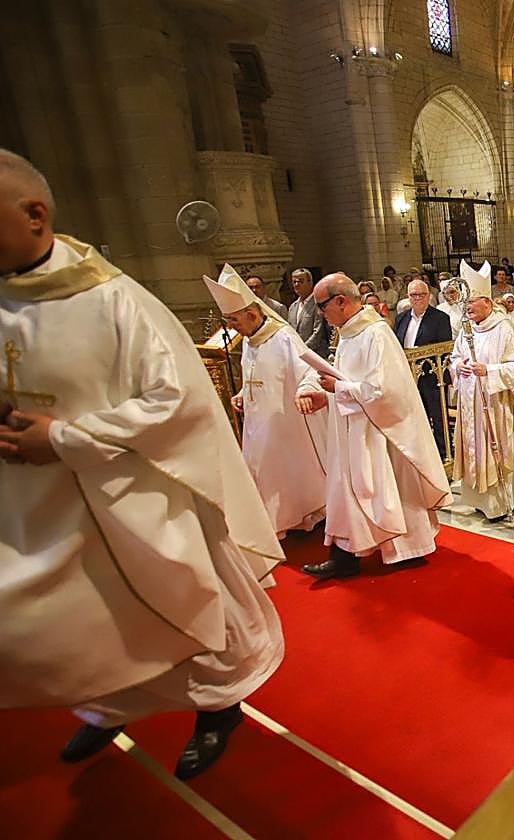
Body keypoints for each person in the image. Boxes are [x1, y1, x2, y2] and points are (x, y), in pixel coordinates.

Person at [0, 148, 283, 779]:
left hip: (134, 487)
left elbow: (175, 402)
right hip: (40, 502)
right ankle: (106, 706)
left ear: (35, 214)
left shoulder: (116, 302)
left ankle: (218, 708)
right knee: (82, 617)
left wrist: (69, 438)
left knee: (184, 602)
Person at [295, 273, 452, 579]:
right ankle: (346, 554)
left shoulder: (376, 334)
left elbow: (386, 392)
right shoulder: (349, 333)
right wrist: (326, 397)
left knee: (383, 487)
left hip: (379, 431)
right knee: (349, 487)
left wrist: (337, 390)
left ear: (340, 301)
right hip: (353, 425)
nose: (320, 314)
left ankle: (405, 548)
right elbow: (347, 379)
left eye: (322, 306)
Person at [203, 264, 328, 538]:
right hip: (258, 421)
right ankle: (275, 521)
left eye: (234, 320)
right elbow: (252, 374)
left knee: (288, 472)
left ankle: (299, 517)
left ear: (251, 313)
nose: (231, 328)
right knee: (263, 471)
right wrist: (240, 395)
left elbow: (309, 369)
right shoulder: (250, 339)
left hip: (286, 421)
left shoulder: (282, 337)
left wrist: (306, 390)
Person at [450, 260, 514, 521]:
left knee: (494, 450)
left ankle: (500, 504)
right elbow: (454, 356)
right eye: (465, 304)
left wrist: (489, 371)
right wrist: (460, 367)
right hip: (470, 402)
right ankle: (476, 499)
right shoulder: (466, 329)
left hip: (495, 403)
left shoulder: (504, 328)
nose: (467, 308)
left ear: (488, 303)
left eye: (471, 303)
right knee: (472, 446)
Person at [394, 279, 454, 460]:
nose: (418, 298)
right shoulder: (401, 318)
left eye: (422, 294)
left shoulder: (440, 318)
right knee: (415, 418)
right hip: (408, 378)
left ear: (429, 296)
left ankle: (443, 455)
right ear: (408, 297)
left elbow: (444, 349)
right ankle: (422, 456)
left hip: (432, 377)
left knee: (438, 417)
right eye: (414, 295)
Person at [288, 267, 328, 355]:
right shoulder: (292, 307)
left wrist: (302, 350)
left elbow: (318, 333)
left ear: (310, 282)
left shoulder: (318, 303)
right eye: (294, 282)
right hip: (297, 355)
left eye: (301, 281)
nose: (297, 284)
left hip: (316, 354)